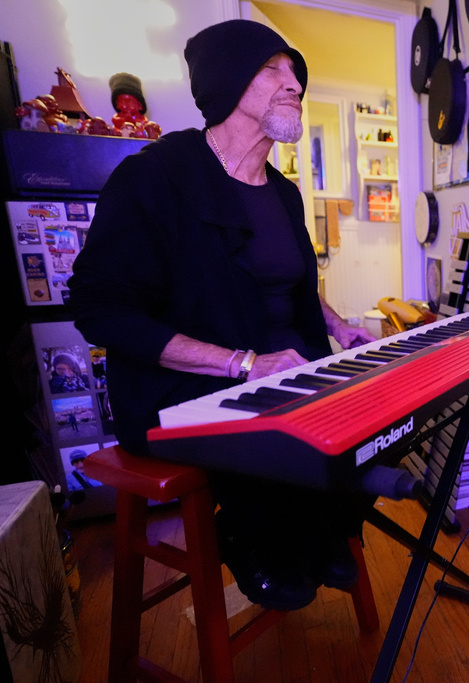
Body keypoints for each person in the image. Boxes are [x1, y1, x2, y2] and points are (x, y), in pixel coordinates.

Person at [68, 20, 376, 612]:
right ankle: (260, 542)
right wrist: (243, 363)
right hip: (184, 381)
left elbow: (288, 283)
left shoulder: (284, 193)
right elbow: (99, 308)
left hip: (284, 365)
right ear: (227, 82)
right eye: (273, 70)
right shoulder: (154, 178)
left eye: (295, 74)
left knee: (374, 402)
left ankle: (325, 531)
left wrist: (336, 325)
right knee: (289, 415)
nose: (294, 85)